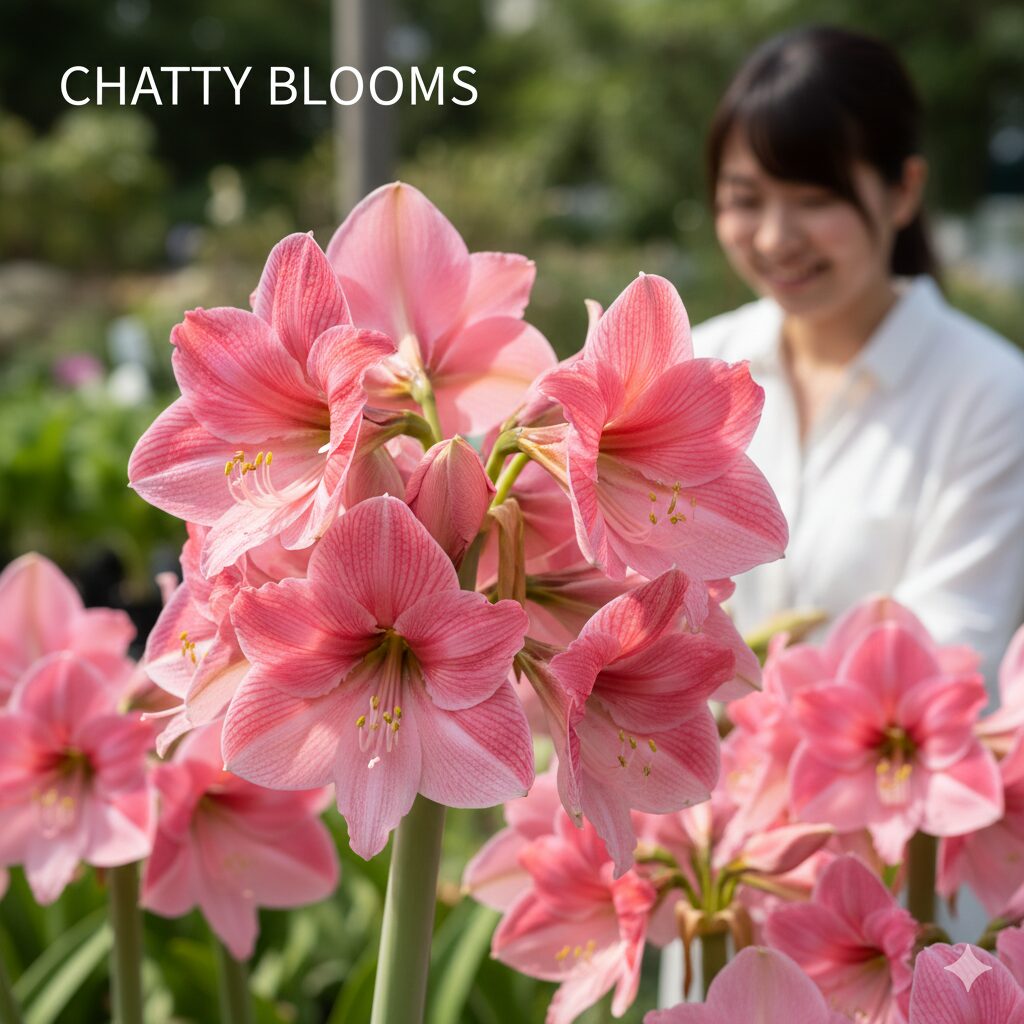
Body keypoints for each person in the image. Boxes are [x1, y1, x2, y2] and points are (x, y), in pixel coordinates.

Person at [692, 25, 1024, 689]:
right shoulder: (694, 363)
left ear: (904, 191)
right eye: (746, 200)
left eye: (815, 200)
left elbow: (952, 656)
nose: (775, 237)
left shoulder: (992, 396)